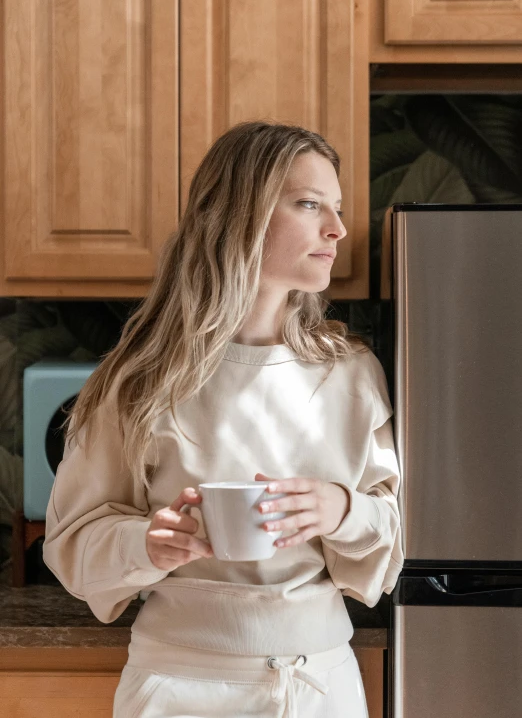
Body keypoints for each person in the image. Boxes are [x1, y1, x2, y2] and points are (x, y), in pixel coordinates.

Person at [43, 120, 404, 718]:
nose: (338, 229)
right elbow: (73, 544)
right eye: (310, 204)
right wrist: (147, 543)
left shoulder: (351, 373)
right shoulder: (141, 380)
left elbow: (392, 534)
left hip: (320, 685)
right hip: (178, 682)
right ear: (242, 215)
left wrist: (341, 509)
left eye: (335, 208)